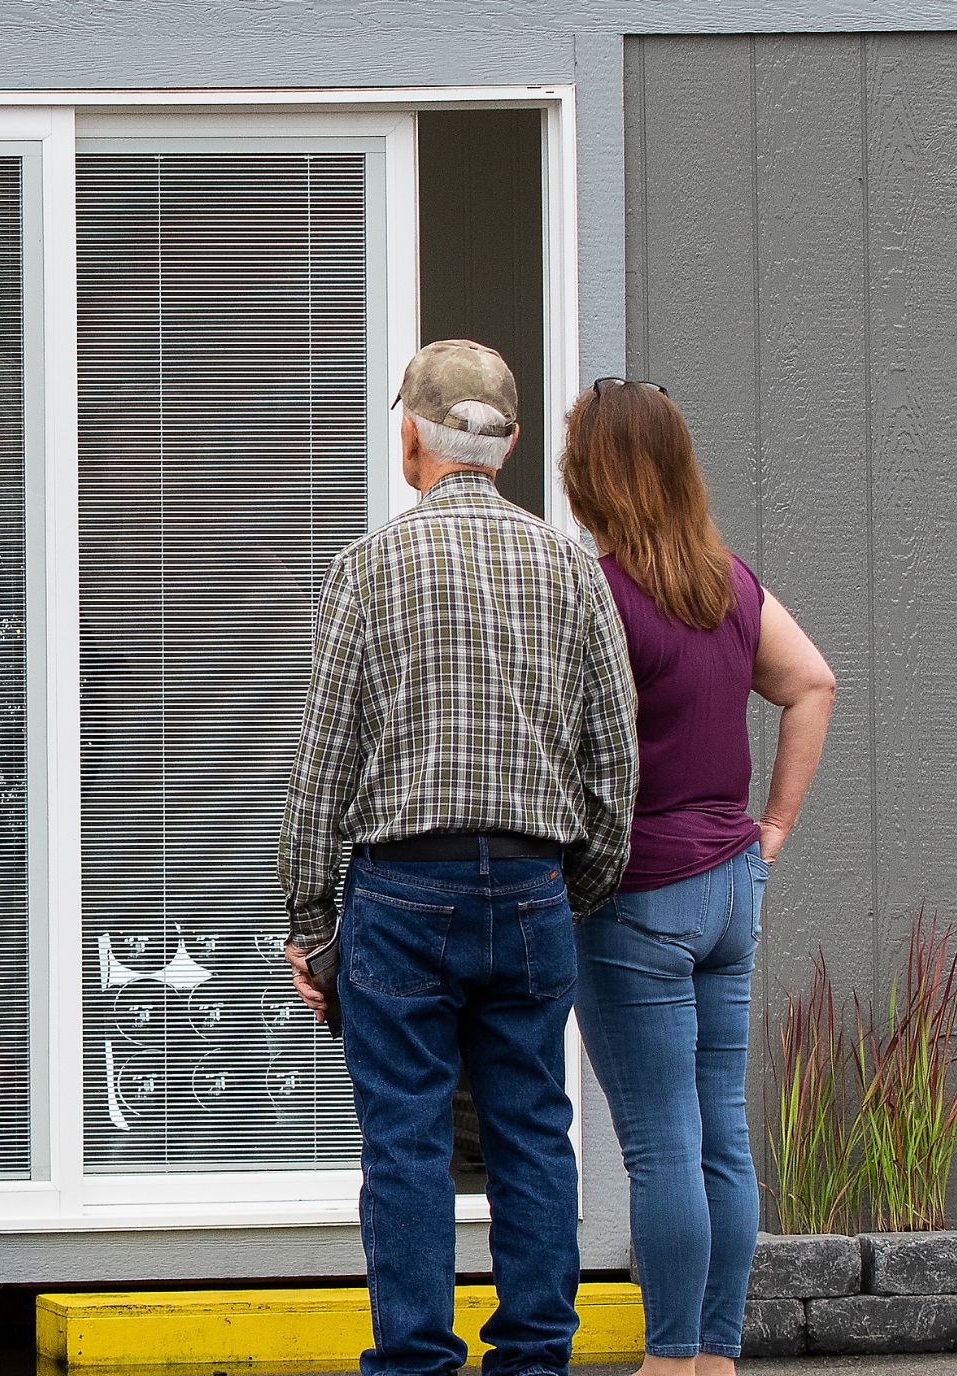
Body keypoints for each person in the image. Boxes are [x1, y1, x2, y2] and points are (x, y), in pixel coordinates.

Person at [279, 340, 639, 1376]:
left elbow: (321, 764)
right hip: (529, 887)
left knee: (404, 1139)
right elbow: (613, 763)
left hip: (399, 888)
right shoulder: (571, 568)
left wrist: (309, 924)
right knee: (531, 1128)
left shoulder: (365, 567)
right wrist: (569, 889)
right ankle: (532, 1357)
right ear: (509, 443)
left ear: (410, 440)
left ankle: (414, 1360)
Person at [560, 379, 836, 1376]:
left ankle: (668, 1357)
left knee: (661, 1140)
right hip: (729, 886)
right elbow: (813, 682)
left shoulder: (598, 592)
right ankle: (714, 1353)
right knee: (719, 1125)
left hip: (636, 895)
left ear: (590, 472)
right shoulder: (727, 582)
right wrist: (771, 827)